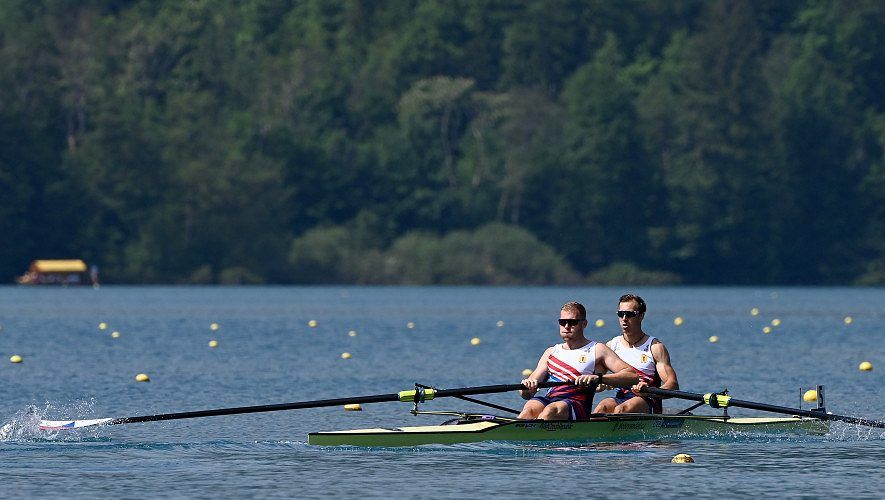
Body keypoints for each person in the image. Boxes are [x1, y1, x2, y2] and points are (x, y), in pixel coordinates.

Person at [518, 301, 639, 420]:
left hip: (577, 404)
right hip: (551, 399)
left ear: (584, 324)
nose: (566, 326)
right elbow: (527, 395)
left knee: (551, 411)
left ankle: (532, 434)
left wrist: (599, 378)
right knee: (529, 409)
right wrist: (526, 387)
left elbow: (632, 376)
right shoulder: (551, 352)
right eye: (562, 322)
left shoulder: (597, 349)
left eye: (572, 322)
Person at [593, 294, 678, 414]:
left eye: (630, 314)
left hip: (648, 400)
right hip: (621, 397)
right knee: (602, 406)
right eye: (620, 314)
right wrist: (601, 385)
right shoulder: (611, 346)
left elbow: (672, 385)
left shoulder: (655, 347)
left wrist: (649, 392)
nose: (624, 318)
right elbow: (596, 379)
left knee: (621, 410)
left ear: (641, 316)